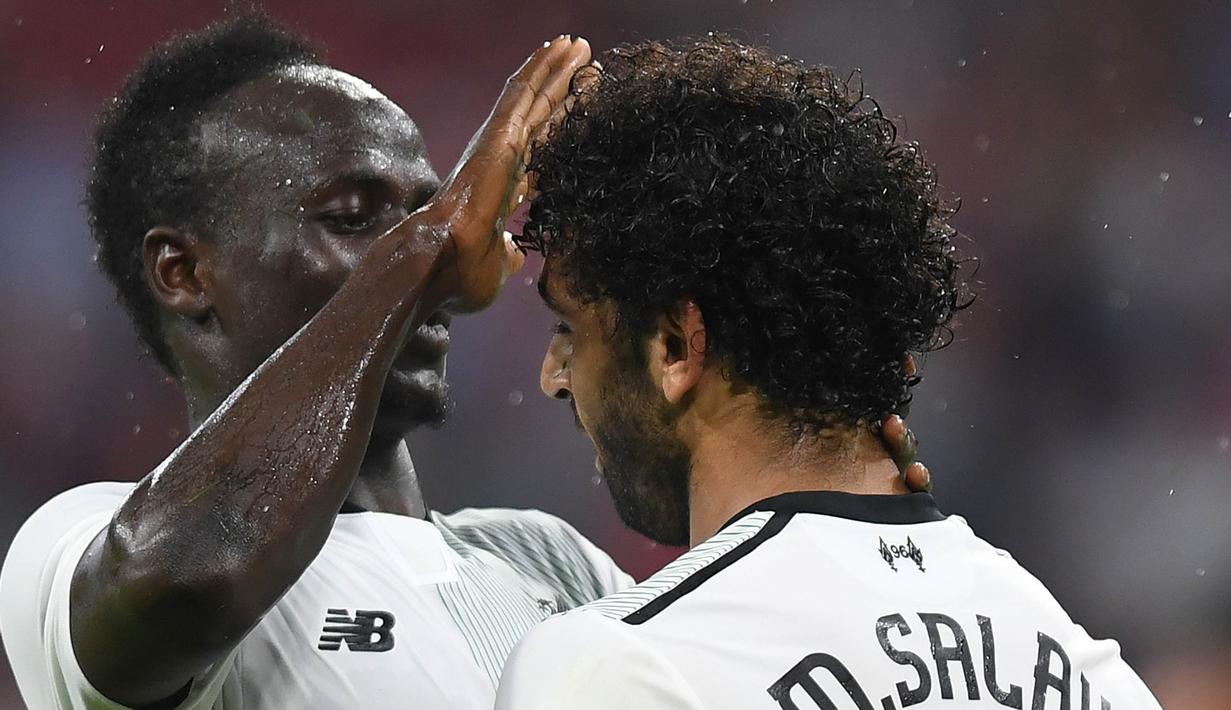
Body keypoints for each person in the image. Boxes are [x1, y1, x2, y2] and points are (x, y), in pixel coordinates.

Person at [0, 15, 930, 710]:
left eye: (436, 210)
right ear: (184, 272)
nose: (451, 257)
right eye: (354, 215)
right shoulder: (78, 544)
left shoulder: (549, 561)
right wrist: (422, 254)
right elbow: (188, 583)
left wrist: (845, 534)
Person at [494, 36, 1162, 709]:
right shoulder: (1089, 672)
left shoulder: (618, 664)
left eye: (569, 330)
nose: (555, 376)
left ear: (674, 346)